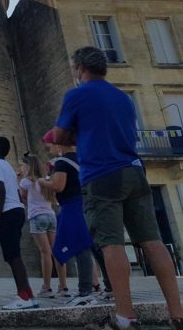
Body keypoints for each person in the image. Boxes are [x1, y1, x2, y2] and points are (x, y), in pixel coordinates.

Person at [53, 47, 183, 330]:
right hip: (135, 170)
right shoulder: (123, 98)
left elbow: (60, 136)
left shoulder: (77, 95)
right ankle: (177, 313)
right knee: (152, 240)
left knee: (111, 243)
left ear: (80, 69)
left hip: (102, 174)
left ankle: (125, 317)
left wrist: (75, 132)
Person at [37, 129, 97, 306]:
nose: (51, 151)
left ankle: (85, 291)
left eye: (51, 147)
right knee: (86, 246)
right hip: (85, 204)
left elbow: (58, 186)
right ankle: (94, 287)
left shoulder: (62, 162)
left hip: (72, 206)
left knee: (80, 247)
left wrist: (42, 182)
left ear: (59, 145)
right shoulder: (82, 159)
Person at [0, 136, 38, 310]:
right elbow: (14, 189)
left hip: (7, 212)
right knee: (14, 254)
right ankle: (28, 293)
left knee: (12, 255)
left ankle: (22, 296)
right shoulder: (7, 166)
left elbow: (1, 189)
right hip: (16, 210)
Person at [18, 153, 68, 299]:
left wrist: (18, 178)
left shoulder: (26, 181)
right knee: (56, 251)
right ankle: (63, 286)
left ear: (27, 166)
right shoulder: (47, 180)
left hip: (37, 216)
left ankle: (46, 287)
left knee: (45, 252)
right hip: (51, 215)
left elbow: (23, 197)